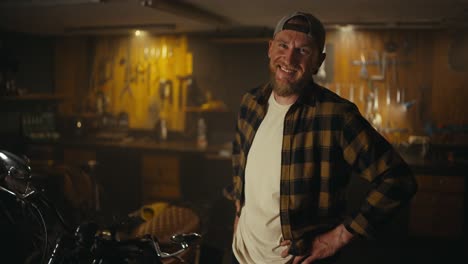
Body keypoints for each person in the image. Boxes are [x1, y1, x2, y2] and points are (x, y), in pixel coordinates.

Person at [223, 11, 418, 264]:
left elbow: (398, 180)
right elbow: (240, 157)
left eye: (303, 50)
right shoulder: (251, 102)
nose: (289, 57)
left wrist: (339, 237)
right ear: (270, 49)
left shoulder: (337, 116)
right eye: (283, 45)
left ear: (318, 61)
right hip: (241, 252)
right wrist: (240, 209)